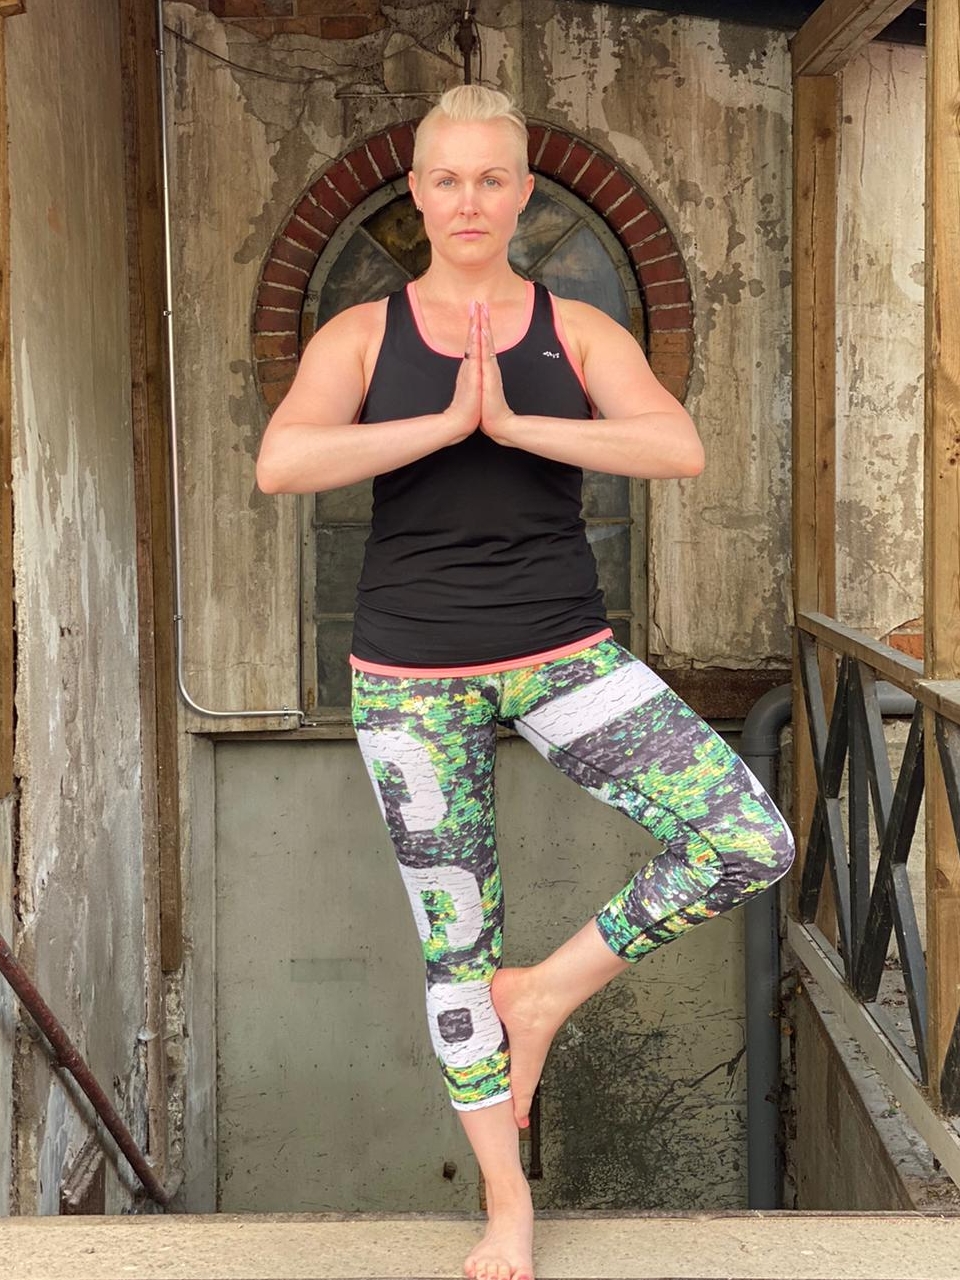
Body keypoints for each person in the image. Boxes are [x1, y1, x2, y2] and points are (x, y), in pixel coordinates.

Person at [256, 85, 795, 1280]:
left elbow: (674, 445)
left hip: (562, 654)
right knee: (456, 951)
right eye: (447, 179)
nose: (469, 200)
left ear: (522, 192)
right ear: (416, 192)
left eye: (491, 179)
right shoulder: (363, 335)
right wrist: (446, 421)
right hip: (410, 675)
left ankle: (545, 992)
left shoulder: (577, 328)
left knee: (748, 836)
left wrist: (516, 423)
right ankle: (508, 1206)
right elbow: (284, 461)